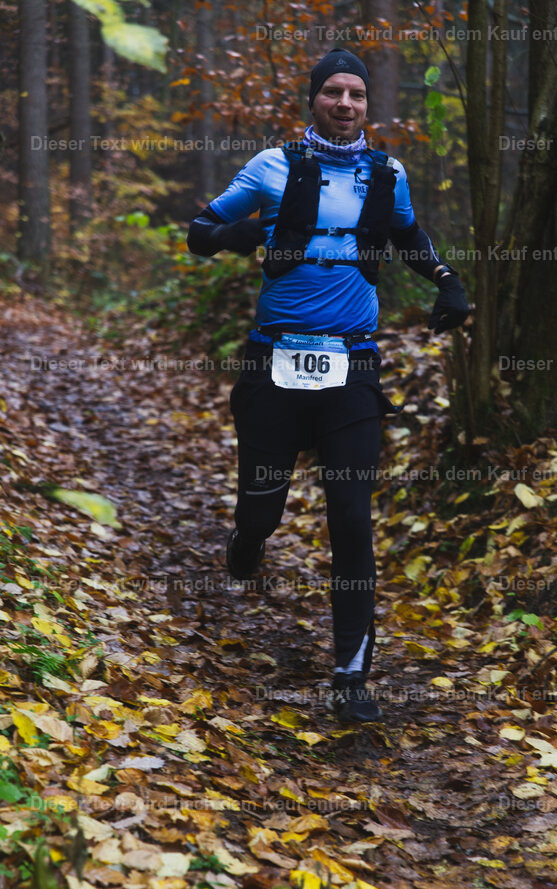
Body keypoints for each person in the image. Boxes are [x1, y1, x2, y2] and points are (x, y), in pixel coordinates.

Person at [187, 48, 470, 724]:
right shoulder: (271, 166)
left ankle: (351, 675)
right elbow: (198, 234)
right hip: (273, 364)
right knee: (263, 506)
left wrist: (446, 280)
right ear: (313, 100)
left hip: (353, 365)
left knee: (351, 516)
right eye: (333, 93)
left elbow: (407, 234)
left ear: (368, 106)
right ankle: (248, 541)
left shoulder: (386, 173)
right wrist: (243, 234)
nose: (345, 104)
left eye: (356, 95)